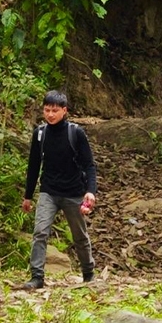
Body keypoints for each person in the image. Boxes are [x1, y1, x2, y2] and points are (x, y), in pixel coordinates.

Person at [20, 90, 97, 289]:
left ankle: (88, 273)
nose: (50, 114)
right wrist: (28, 196)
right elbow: (33, 165)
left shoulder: (75, 133)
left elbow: (89, 164)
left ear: (64, 110)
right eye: (47, 110)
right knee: (40, 232)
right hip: (49, 191)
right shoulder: (40, 134)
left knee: (79, 236)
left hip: (73, 192)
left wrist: (90, 191)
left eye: (55, 110)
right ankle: (37, 276)